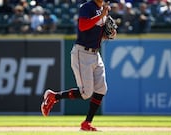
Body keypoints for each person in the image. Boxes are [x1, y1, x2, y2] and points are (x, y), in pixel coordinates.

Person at [41, 0, 116, 131]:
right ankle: (54, 96)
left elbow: (99, 33)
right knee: (86, 93)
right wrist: (101, 15)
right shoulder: (87, 7)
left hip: (95, 53)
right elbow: (83, 26)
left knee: (101, 89)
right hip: (82, 53)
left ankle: (87, 123)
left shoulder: (104, 10)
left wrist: (108, 34)